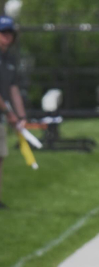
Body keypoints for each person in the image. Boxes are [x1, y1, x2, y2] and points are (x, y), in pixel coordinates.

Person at [0, 16, 27, 209]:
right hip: (3, 114)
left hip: (2, 116)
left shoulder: (9, 59)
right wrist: (10, 113)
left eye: (10, 33)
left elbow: (13, 89)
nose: (7, 36)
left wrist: (22, 116)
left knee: (1, 157)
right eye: (3, 32)